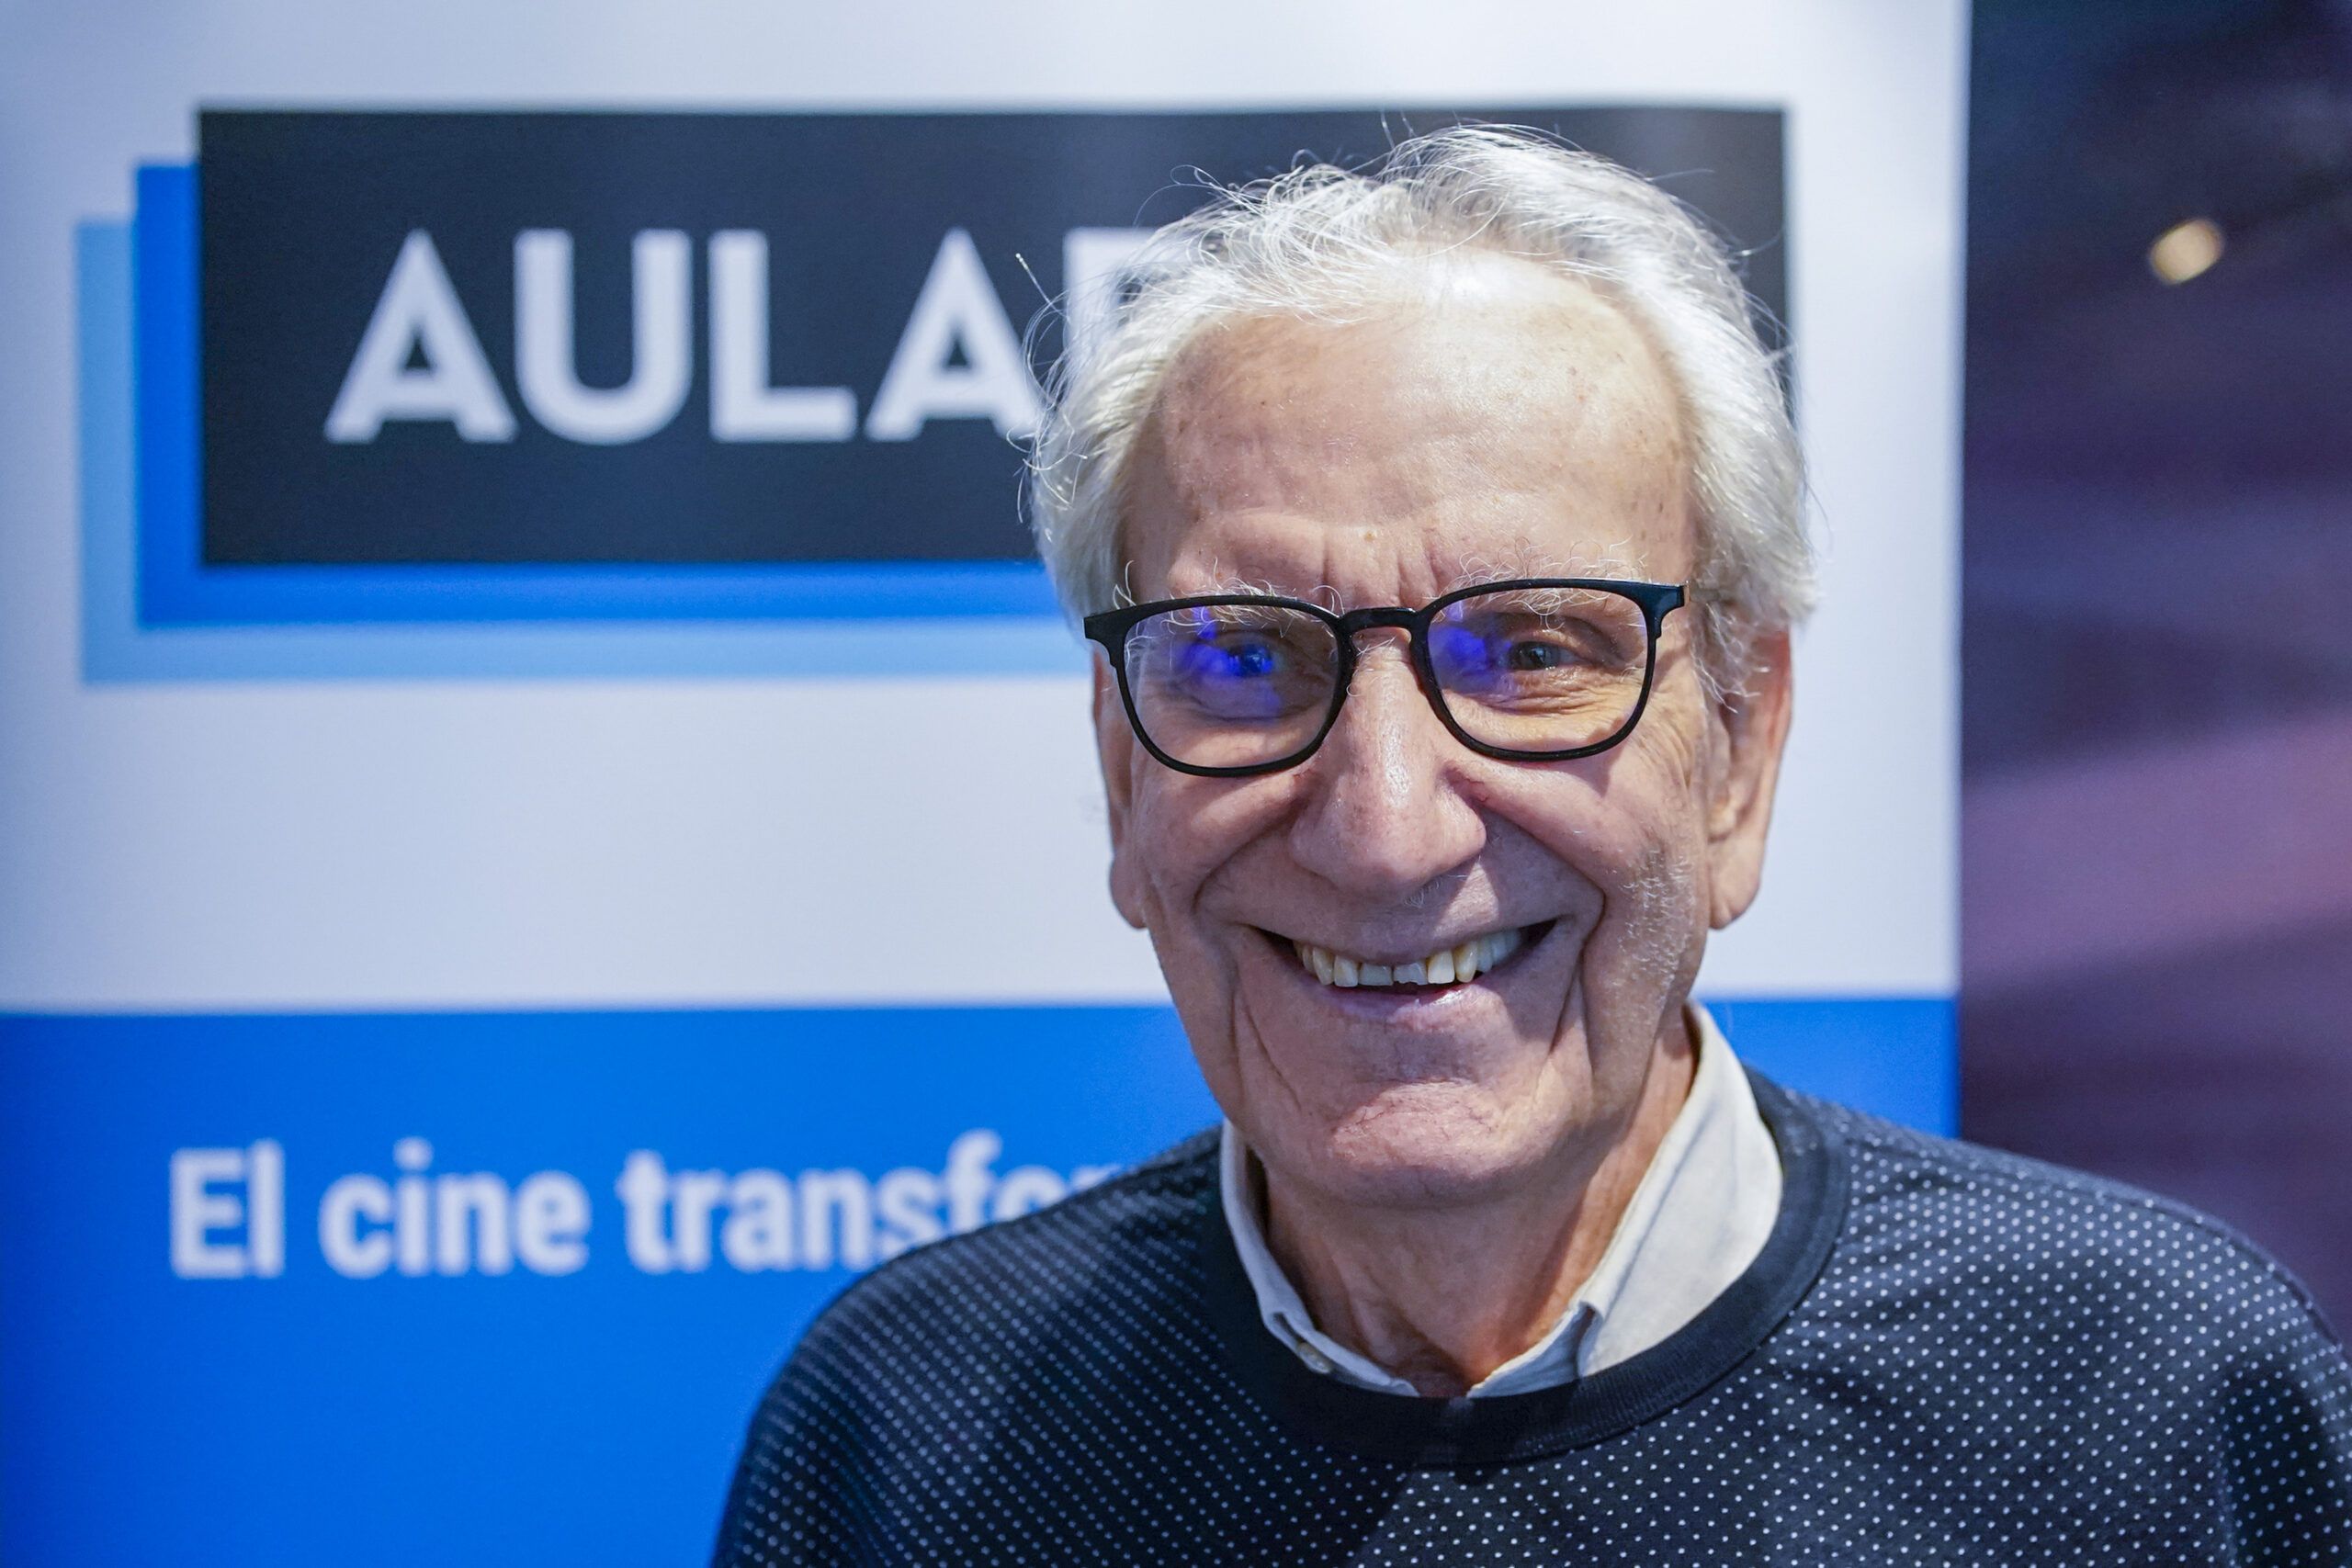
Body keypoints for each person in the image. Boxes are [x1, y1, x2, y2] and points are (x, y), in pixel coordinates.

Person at [712, 127, 2352, 1562]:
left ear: (1740, 748)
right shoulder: (911, 1437)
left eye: (1534, 652)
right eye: (1246, 659)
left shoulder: (2149, 1403)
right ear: (1121, 770)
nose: (1383, 827)